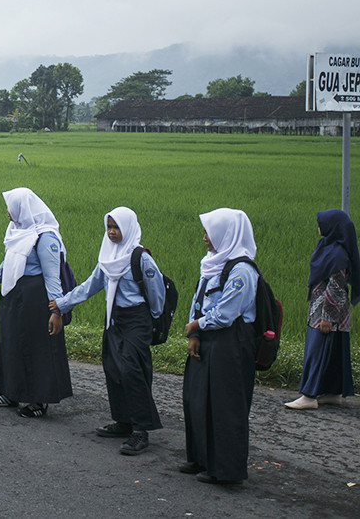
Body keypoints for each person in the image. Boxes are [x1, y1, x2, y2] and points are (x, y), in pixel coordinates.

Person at [51, 207, 165, 455]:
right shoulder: (107, 258)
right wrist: (62, 303)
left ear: (128, 228)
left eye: (116, 228)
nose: (112, 232)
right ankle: (123, 421)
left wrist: (152, 320)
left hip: (137, 320)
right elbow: (90, 286)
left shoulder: (141, 258)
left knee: (132, 370)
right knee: (113, 368)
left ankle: (141, 430)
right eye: (109, 227)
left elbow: (157, 294)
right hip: (114, 318)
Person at [181, 208, 258, 485]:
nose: (205, 238)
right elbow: (199, 299)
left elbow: (226, 314)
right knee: (197, 399)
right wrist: (194, 333)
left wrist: (197, 325)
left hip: (230, 344)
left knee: (224, 406)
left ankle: (225, 470)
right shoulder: (212, 263)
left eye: (210, 233)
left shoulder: (241, 271)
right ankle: (202, 458)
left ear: (227, 235)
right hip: (208, 338)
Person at [0, 188, 72, 418]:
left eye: (11, 206)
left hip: (35, 299)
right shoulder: (17, 231)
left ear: (23, 208)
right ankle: (9, 392)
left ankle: (39, 400)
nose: (8, 211)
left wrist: (57, 310)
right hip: (13, 295)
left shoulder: (45, 237)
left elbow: (52, 277)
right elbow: (9, 261)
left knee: (35, 347)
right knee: (10, 343)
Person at [285, 209, 358, 410]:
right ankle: (332, 393)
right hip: (325, 310)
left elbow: (336, 288)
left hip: (328, 314)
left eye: (322, 223)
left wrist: (328, 317)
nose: (319, 226)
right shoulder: (328, 247)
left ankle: (309, 396)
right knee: (332, 351)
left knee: (317, 350)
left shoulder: (337, 255)